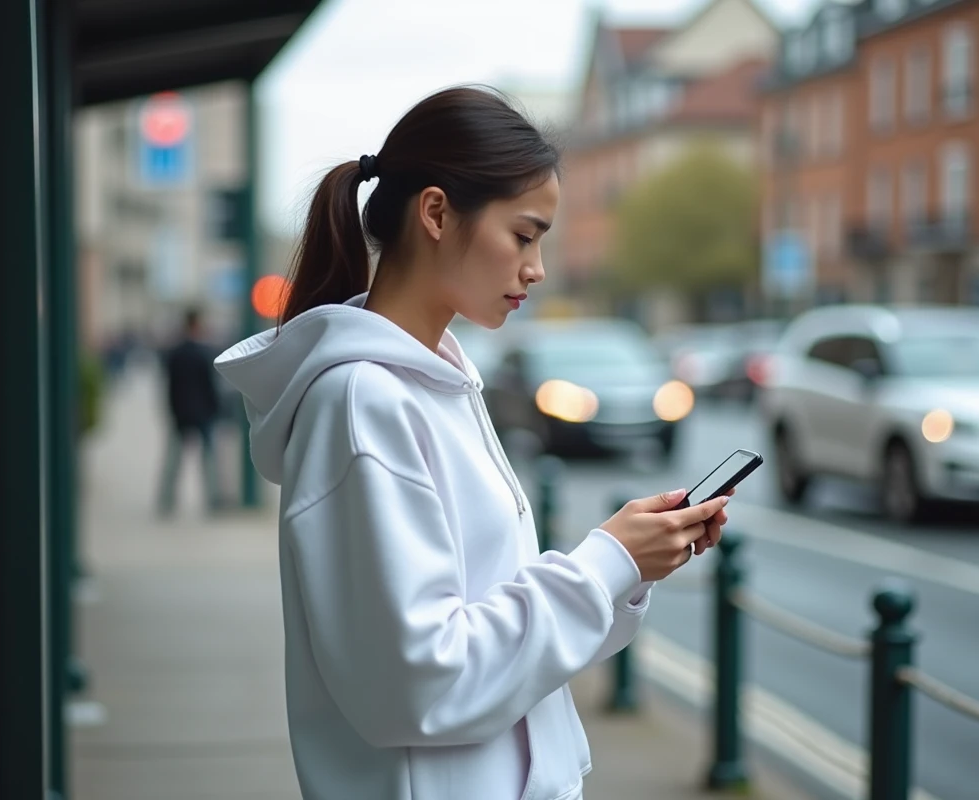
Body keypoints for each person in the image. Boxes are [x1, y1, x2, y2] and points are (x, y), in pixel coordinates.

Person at [214, 86, 732, 800]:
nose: (537, 267)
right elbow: (424, 682)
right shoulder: (364, 403)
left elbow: (494, 632)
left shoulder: (436, 380)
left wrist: (627, 566)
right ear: (435, 213)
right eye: (523, 234)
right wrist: (603, 564)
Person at [158, 306, 222, 514]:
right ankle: (213, 499)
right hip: (203, 412)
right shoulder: (204, 353)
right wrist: (215, 409)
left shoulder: (175, 353)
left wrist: (172, 410)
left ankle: (166, 500)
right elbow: (210, 386)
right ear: (197, 324)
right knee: (209, 459)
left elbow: (169, 386)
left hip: (181, 412)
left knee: (173, 460)